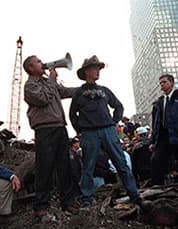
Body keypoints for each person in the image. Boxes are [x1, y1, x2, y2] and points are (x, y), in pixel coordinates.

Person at [69, 55, 142, 207]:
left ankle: (134, 194)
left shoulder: (105, 91)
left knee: (121, 163)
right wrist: (79, 130)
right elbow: (72, 114)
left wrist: (113, 122)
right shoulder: (78, 93)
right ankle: (87, 198)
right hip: (89, 133)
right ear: (86, 71)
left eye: (98, 68)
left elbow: (119, 106)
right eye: (95, 68)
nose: (98, 71)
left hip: (108, 130)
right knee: (88, 166)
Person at [23, 55, 77, 217]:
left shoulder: (47, 82)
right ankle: (41, 205)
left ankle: (68, 203)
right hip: (44, 130)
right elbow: (43, 99)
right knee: (44, 167)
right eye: (38, 62)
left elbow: (64, 92)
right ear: (30, 68)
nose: (42, 63)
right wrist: (52, 80)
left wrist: (83, 90)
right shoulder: (30, 85)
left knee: (65, 166)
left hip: (60, 127)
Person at [150, 74, 178, 185]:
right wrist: (153, 141)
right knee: (156, 160)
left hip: (176, 134)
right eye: (160, 83)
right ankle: (158, 187)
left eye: (164, 82)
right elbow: (155, 123)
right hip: (163, 136)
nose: (162, 85)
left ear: (171, 82)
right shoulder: (159, 102)